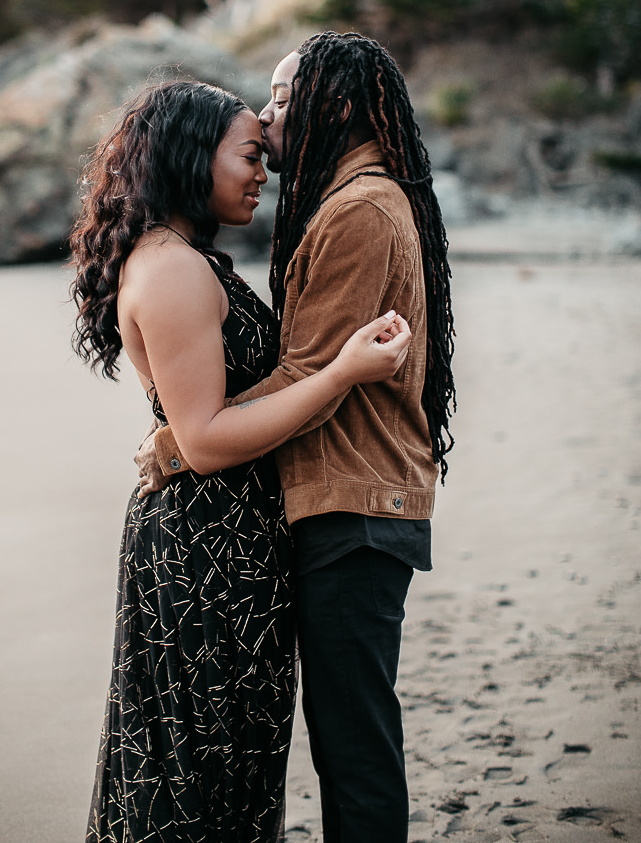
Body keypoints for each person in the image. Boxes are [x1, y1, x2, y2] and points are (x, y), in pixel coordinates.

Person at [69, 78, 412, 843]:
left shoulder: (187, 259)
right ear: (194, 156)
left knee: (233, 766)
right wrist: (343, 373)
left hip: (230, 543)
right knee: (201, 773)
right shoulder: (171, 269)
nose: (264, 173)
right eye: (249, 156)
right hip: (202, 552)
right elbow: (204, 439)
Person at [141, 34, 455, 843]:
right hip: (353, 499)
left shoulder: (357, 211)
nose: (268, 116)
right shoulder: (353, 200)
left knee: (353, 748)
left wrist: (179, 442)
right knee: (347, 737)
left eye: (282, 99)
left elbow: (311, 372)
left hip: (354, 505)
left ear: (337, 106)